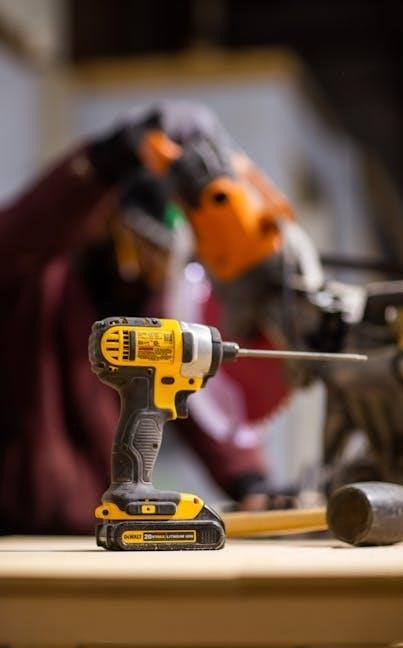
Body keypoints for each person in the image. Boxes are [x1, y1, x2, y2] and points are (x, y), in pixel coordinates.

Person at [0, 102, 292, 535]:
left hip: (98, 538)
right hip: (14, 538)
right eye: (148, 245)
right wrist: (107, 157)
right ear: (115, 226)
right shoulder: (36, 279)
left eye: (167, 253)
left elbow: (197, 403)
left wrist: (250, 482)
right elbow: (24, 226)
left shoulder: (159, 311)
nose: (158, 265)